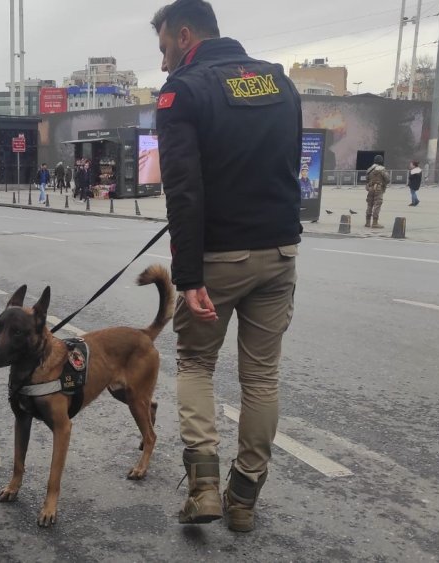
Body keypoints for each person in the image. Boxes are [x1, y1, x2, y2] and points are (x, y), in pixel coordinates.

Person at [151, 0, 301, 532]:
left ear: (186, 35)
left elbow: (184, 192)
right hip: (280, 252)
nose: (165, 62)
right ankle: (244, 496)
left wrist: (188, 277)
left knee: (195, 364)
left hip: (218, 258)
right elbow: (289, 168)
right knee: (261, 376)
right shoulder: (280, 83)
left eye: (166, 48)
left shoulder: (183, 92)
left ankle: (205, 488)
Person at [364, 155, 390, 228]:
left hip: (370, 188)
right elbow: (388, 179)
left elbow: (367, 179)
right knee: (377, 204)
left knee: (369, 204)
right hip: (379, 188)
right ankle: (375, 223)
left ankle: (367, 222)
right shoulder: (382, 169)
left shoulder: (369, 169)